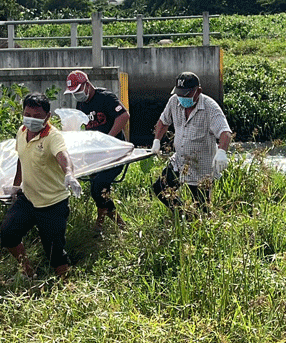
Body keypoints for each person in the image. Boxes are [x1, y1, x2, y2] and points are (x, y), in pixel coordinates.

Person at [0, 92, 82, 279]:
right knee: (8, 234)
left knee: (55, 252)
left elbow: (63, 156)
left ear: (47, 117)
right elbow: (22, 158)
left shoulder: (53, 136)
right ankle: (28, 272)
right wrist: (16, 186)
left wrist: (69, 173)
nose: (31, 120)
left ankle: (66, 287)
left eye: (37, 116)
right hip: (28, 198)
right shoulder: (21, 132)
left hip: (53, 203)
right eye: (28, 114)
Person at [150, 71, 232, 211]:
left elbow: (225, 132)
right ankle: (185, 216)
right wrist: (156, 141)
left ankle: (196, 220)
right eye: (179, 93)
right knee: (161, 189)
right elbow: (163, 121)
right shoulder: (174, 101)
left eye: (186, 94)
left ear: (198, 91)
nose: (182, 97)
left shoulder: (210, 107)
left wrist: (222, 151)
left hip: (201, 167)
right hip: (179, 162)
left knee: (202, 207)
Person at [64, 69, 130, 232]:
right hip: (96, 154)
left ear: (87, 85)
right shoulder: (81, 103)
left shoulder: (105, 98)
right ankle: (117, 225)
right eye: (73, 92)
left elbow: (123, 116)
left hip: (114, 152)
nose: (77, 95)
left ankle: (103, 225)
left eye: (78, 91)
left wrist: (107, 140)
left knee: (98, 186)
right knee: (99, 190)